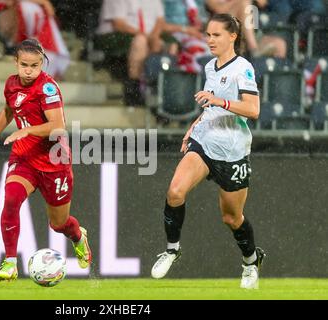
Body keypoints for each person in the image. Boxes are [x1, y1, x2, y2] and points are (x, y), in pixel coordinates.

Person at [151, 13, 266, 289]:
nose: (210, 40)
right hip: (205, 142)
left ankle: (251, 261)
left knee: (231, 217)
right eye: (208, 34)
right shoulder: (210, 67)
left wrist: (220, 101)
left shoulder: (243, 68)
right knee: (175, 192)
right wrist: (195, 124)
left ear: (232, 37)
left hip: (233, 151)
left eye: (216, 35)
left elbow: (253, 110)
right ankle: (172, 249)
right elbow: (210, 105)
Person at [0, 38, 92, 281]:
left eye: (34, 66)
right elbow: (8, 110)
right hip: (24, 157)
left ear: (42, 64)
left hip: (54, 162)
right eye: (24, 65)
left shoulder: (47, 89)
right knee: (12, 199)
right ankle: (11, 262)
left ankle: (78, 236)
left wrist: (27, 130)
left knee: (58, 224)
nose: (29, 71)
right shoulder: (12, 85)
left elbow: (58, 126)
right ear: (15, 62)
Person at [95, 0, 167, 106]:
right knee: (140, 41)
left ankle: (163, 92)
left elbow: (160, 21)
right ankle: (134, 89)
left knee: (168, 45)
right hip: (112, 35)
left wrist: (154, 37)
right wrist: (148, 38)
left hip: (140, 34)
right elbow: (119, 25)